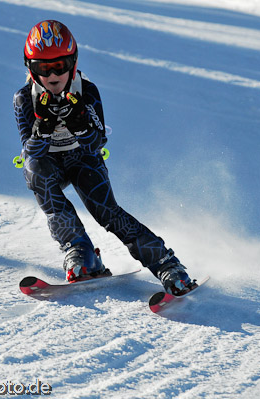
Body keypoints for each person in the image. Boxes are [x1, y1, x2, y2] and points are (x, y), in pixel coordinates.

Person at [13, 20, 195, 295]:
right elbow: (29, 151)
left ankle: (166, 264)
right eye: (43, 68)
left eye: (59, 66)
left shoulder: (87, 91)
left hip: (83, 160)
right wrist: (42, 130)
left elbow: (96, 142)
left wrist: (81, 124)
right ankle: (80, 251)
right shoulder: (24, 99)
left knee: (106, 212)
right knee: (35, 170)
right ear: (31, 68)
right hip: (50, 165)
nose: (52, 75)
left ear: (72, 63)